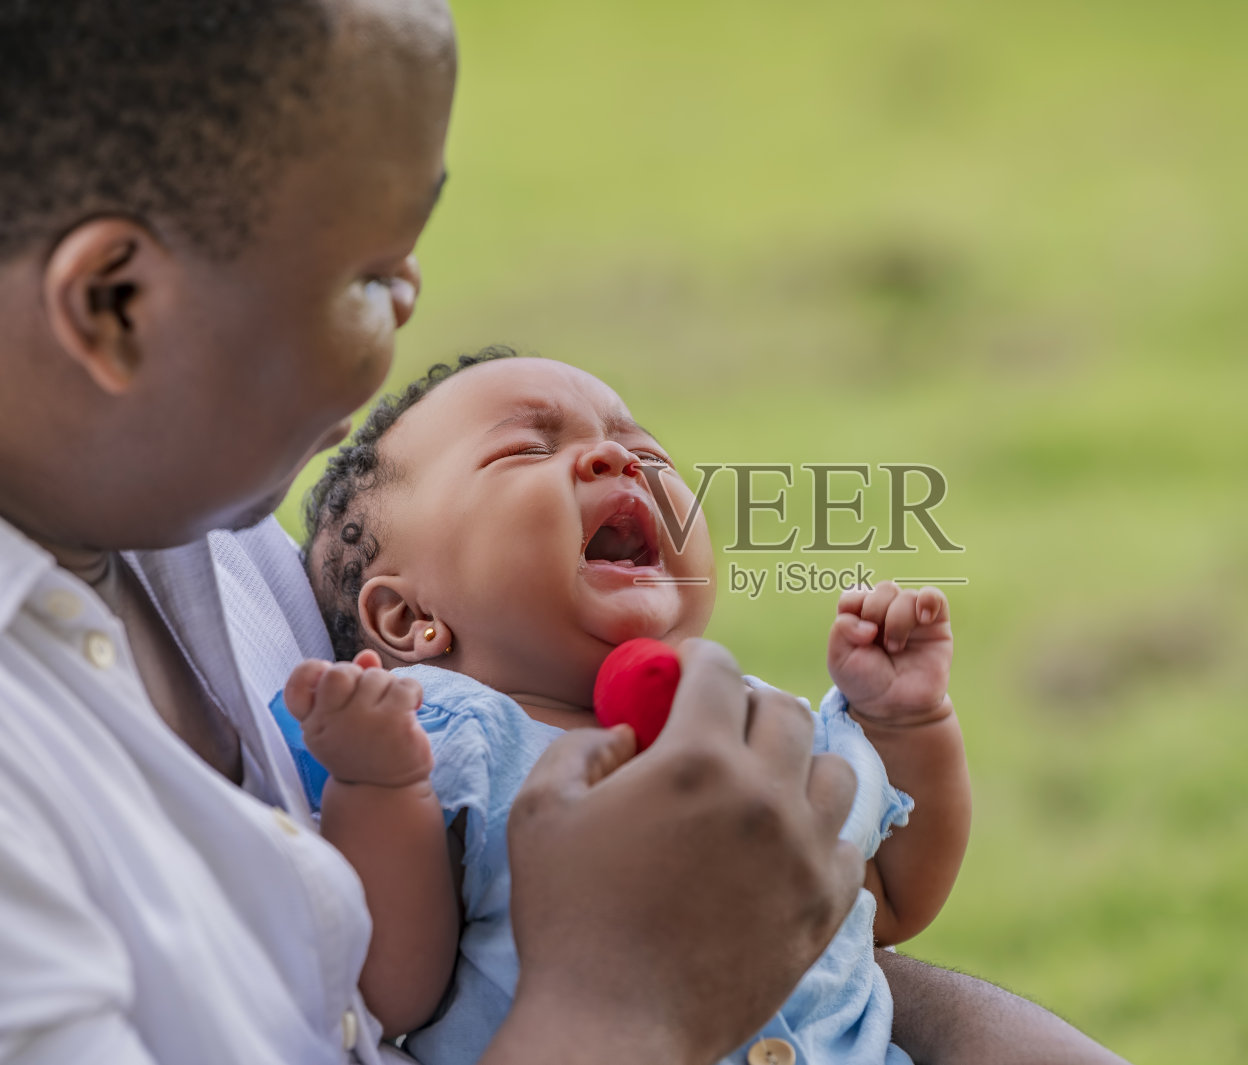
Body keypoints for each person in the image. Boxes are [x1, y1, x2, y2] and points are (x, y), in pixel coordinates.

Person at [0, 2, 1129, 1063]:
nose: (405, 310)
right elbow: (409, 978)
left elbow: (857, 923)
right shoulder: (409, 718)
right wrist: (625, 997)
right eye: (369, 274)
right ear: (114, 303)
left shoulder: (199, 506)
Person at [274, 351, 972, 1065]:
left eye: (646, 450)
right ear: (406, 617)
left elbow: (889, 901)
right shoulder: (448, 749)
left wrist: (908, 721)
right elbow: (394, 992)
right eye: (526, 449)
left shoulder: (762, 723)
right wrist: (379, 782)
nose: (615, 456)